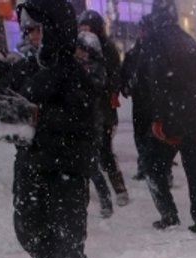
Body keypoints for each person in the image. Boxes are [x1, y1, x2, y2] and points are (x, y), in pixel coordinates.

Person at [0, 0, 98, 258]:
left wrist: (39, 117)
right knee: (28, 228)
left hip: (65, 169)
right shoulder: (28, 67)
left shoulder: (73, 73)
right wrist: (8, 116)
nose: (30, 35)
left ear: (55, 29)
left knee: (67, 238)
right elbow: (3, 104)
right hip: (31, 164)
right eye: (27, 30)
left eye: (36, 29)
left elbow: (86, 122)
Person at [140, 0, 196, 234]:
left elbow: (158, 83)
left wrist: (158, 118)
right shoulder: (189, 40)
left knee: (152, 167)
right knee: (195, 172)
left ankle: (168, 214)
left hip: (171, 118)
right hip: (194, 117)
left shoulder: (156, 41)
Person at [78, 9, 130, 208]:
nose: (85, 32)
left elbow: (115, 76)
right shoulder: (77, 48)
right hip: (83, 109)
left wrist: (111, 91)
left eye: (88, 28)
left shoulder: (107, 49)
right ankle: (86, 193)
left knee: (105, 151)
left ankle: (119, 188)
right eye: (82, 28)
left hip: (103, 109)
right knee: (84, 152)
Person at [75, 30, 115, 218]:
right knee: (81, 166)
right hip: (79, 122)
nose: (78, 52)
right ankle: (82, 202)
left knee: (91, 165)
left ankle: (105, 200)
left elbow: (95, 88)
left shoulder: (95, 68)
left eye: (81, 49)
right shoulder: (76, 66)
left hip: (91, 123)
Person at [120, 15, 151, 180]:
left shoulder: (154, 51)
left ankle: (156, 167)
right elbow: (125, 73)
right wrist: (126, 86)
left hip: (153, 101)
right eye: (141, 29)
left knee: (152, 136)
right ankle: (145, 165)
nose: (142, 32)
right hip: (140, 101)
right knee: (141, 134)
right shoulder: (134, 53)